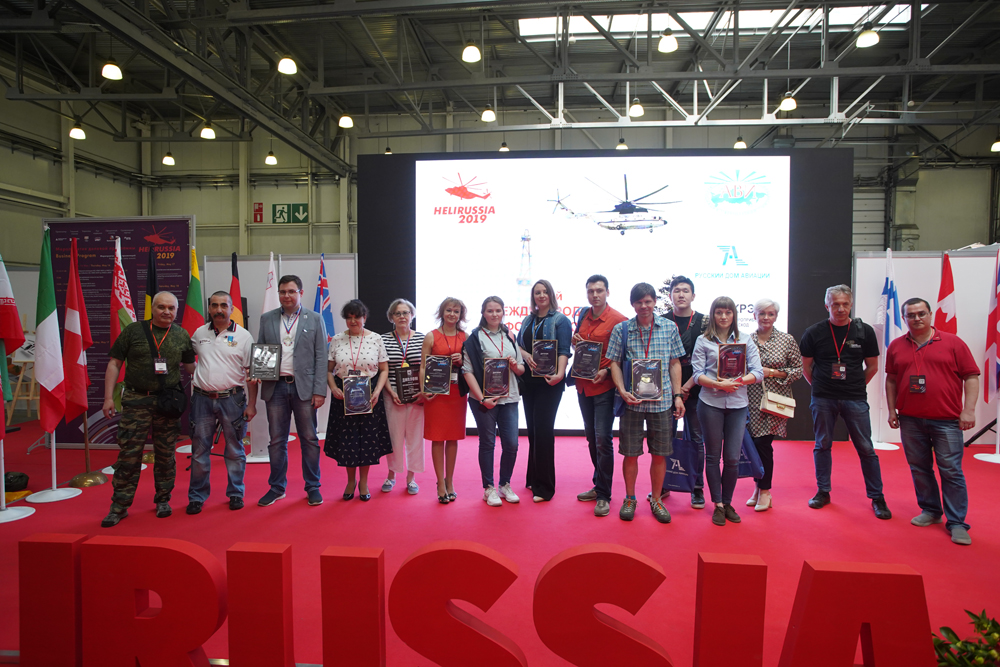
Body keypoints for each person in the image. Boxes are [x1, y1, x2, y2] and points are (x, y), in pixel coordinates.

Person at [885, 297, 978, 545]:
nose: (917, 318)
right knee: (919, 467)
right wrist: (892, 410)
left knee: (951, 470)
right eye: (911, 315)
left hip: (946, 420)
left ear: (930, 315)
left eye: (921, 314)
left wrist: (968, 410)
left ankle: (957, 522)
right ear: (904, 318)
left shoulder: (953, 343)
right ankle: (931, 510)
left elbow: (971, 376)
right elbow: (891, 380)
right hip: (910, 419)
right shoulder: (896, 346)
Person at [100, 291, 195, 527]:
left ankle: (163, 499)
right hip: (136, 400)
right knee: (129, 455)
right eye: (161, 307)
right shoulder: (133, 331)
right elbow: (114, 363)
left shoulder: (182, 334)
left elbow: (191, 367)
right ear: (153, 308)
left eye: (171, 308)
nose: (166, 312)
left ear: (177, 310)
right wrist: (108, 398)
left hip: (167, 403)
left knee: (166, 454)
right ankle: (119, 506)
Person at [799, 284, 891, 519]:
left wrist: (856, 385)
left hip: (855, 398)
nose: (840, 309)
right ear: (827, 306)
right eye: (835, 304)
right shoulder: (814, 332)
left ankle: (877, 497)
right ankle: (823, 491)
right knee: (822, 444)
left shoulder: (865, 331)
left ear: (851, 305)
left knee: (866, 448)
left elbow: (873, 366)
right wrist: (820, 386)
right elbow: (806, 366)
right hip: (823, 398)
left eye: (845, 304)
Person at [607, 282, 686, 524]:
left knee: (660, 454)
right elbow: (614, 363)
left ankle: (657, 499)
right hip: (632, 402)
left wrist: (678, 395)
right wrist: (622, 390)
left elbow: (675, 363)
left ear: (654, 302)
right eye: (639, 302)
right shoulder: (622, 329)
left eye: (648, 301)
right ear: (633, 304)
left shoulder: (669, 327)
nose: (644, 306)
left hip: (661, 403)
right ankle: (630, 498)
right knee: (630, 454)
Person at [256, 275, 328, 508]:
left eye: (291, 291)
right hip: (275, 386)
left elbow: (321, 356)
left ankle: (313, 487)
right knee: (277, 440)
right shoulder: (267, 318)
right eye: (282, 292)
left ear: (300, 293)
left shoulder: (314, 318)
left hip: (304, 388)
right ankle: (277, 488)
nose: (286, 296)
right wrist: (259, 370)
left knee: (309, 439)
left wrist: (319, 391)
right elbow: (262, 349)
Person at [692, 296, 764, 526]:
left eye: (728, 312)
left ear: (734, 315)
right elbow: (697, 375)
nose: (723, 317)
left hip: (738, 405)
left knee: (732, 458)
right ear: (713, 315)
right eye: (719, 312)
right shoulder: (703, 341)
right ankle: (718, 505)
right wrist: (718, 384)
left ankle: (728, 501)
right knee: (713, 456)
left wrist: (738, 381)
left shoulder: (746, 340)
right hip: (710, 404)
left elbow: (758, 373)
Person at [187, 291, 257, 514]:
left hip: (232, 400)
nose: (219, 310)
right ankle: (197, 496)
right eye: (214, 305)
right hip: (202, 400)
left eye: (223, 305)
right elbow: (188, 360)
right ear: (209, 308)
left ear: (231, 308)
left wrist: (252, 404)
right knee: (199, 451)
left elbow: (252, 374)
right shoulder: (199, 333)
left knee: (235, 449)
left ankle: (236, 493)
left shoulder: (244, 336)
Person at [324, 299, 393, 501]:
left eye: (357, 317)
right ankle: (350, 481)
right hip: (344, 395)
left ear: (365, 317)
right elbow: (328, 371)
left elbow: (384, 370)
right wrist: (333, 387)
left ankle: (363, 482)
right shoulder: (337, 339)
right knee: (348, 441)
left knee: (367, 440)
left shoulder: (376, 339)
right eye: (349, 317)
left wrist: (377, 391)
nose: (353, 321)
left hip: (369, 394)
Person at [463, 296, 526, 507]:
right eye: (490, 311)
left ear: (503, 312)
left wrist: (515, 365)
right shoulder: (475, 338)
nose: (494, 314)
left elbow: (521, 369)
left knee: (512, 444)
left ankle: (504, 484)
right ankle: (489, 488)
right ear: (483, 313)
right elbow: (467, 371)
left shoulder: (509, 336)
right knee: (487, 443)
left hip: (510, 398)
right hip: (484, 399)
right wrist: (483, 399)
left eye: (498, 310)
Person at [572, 275, 627, 517]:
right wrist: (575, 342)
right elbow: (580, 347)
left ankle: (604, 495)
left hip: (604, 388)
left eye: (599, 290)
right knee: (592, 439)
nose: (595, 295)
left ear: (607, 292)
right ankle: (598, 484)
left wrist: (607, 371)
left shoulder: (619, 320)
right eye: (591, 291)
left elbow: (625, 355)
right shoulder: (583, 315)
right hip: (583, 386)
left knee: (603, 439)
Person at [745, 298, 803, 512]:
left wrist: (772, 373)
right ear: (754, 316)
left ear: (776, 316)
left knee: (763, 445)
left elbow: (798, 370)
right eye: (762, 314)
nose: (766, 318)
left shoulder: (786, 340)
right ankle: (758, 487)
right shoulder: (747, 340)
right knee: (753, 445)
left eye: (770, 314)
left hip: (774, 401)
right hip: (750, 400)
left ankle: (765, 490)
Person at [517, 279, 572, 502]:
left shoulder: (560, 320)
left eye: (544, 292)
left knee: (543, 430)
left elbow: (564, 350)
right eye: (537, 292)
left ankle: (545, 487)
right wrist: (525, 354)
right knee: (533, 431)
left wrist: (560, 374)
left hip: (550, 382)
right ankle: (533, 477)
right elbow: (518, 345)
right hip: (529, 382)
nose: (541, 296)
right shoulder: (528, 319)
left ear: (551, 295)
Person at [660, 275, 708, 509]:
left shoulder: (704, 322)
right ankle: (663, 483)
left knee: (696, 439)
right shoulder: (661, 321)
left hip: (696, 388)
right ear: (670, 296)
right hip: (666, 389)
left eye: (685, 290)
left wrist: (686, 387)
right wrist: (675, 390)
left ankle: (696, 488)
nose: (681, 294)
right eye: (677, 291)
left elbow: (710, 359)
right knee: (665, 438)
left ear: (693, 295)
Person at [421, 297, 468, 504]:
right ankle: (440, 483)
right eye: (449, 310)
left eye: (456, 311)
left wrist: (463, 360)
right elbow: (423, 366)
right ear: (442, 312)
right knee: (438, 438)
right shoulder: (431, 336)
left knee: (453, 438)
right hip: (436, 394)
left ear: (460, 315)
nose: (452, 314)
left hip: (457, 394)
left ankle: (450, 481)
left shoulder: (465, 336)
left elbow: (471, 366)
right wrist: (424, 389)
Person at [380, 299, 426, 495]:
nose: (402, 316)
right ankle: (391, 475)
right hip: (392, 396)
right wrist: (391, 392)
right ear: (391, 317)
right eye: (397, 313)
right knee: (394, 438)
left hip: (416, 396)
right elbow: (382, 369)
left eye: (405, 312)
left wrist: (423, 392)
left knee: (415, 438)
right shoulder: (383, 339)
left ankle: (411, 478)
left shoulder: (423, 338)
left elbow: (426, 366)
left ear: (412, 315)